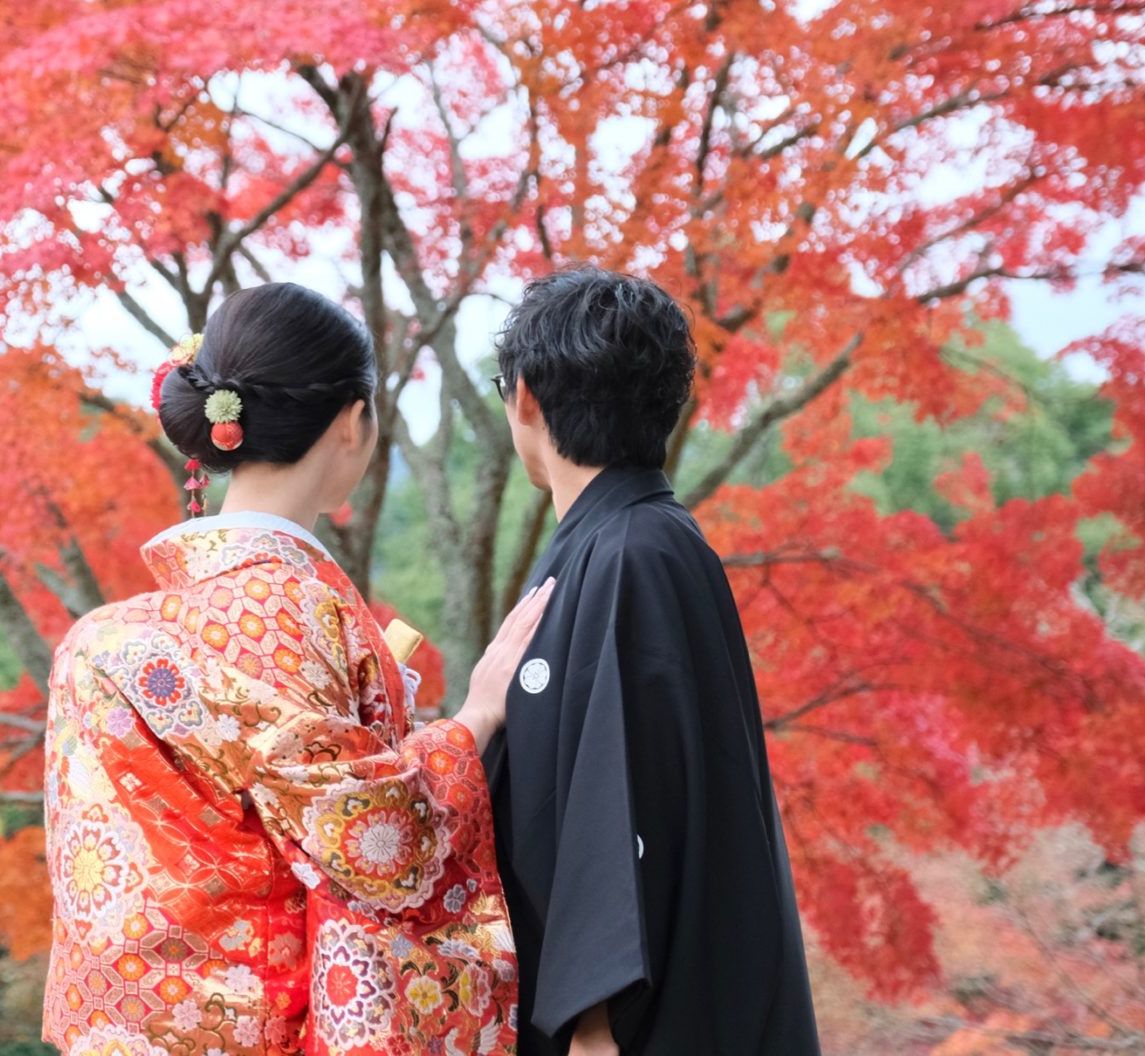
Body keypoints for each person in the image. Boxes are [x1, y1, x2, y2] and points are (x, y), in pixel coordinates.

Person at [42, 282, 552, 1056]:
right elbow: (378, 841)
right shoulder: (292, 613)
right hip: (260, 1029)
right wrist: (475, 717)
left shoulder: (95, 641)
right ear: (353, 421)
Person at [482, 266, 821, 1055]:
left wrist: (594, 1021)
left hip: (625, 1026)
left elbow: (626, 798)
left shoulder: (635, 550)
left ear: (524, 396)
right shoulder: (629, 542)